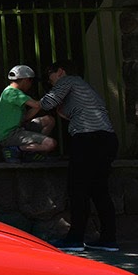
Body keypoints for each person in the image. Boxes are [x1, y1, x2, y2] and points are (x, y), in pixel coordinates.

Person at [38, 59, 119, 251]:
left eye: (50, 76)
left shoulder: (68, 81)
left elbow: (48, 102)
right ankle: (109, 238)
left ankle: (75, 239)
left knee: (78, 189)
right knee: (99, 190)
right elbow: (67, 112)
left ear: (60, 71)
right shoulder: (85, 89)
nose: (50, 82)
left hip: (87, 139)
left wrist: (34, 103)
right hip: (107, 139)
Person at [0, 65, 57, 156]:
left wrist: (39, 106)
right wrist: (54, 94)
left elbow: (27, 116)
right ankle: (17, 150)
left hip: (19, 129)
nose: (31, 85)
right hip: (10, 135)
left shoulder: (10, 92)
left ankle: (34, 151)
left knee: (49, 120)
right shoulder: (12, 92)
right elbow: (36, 104)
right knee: (50, 144)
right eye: (31, 81)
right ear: (25, 80)